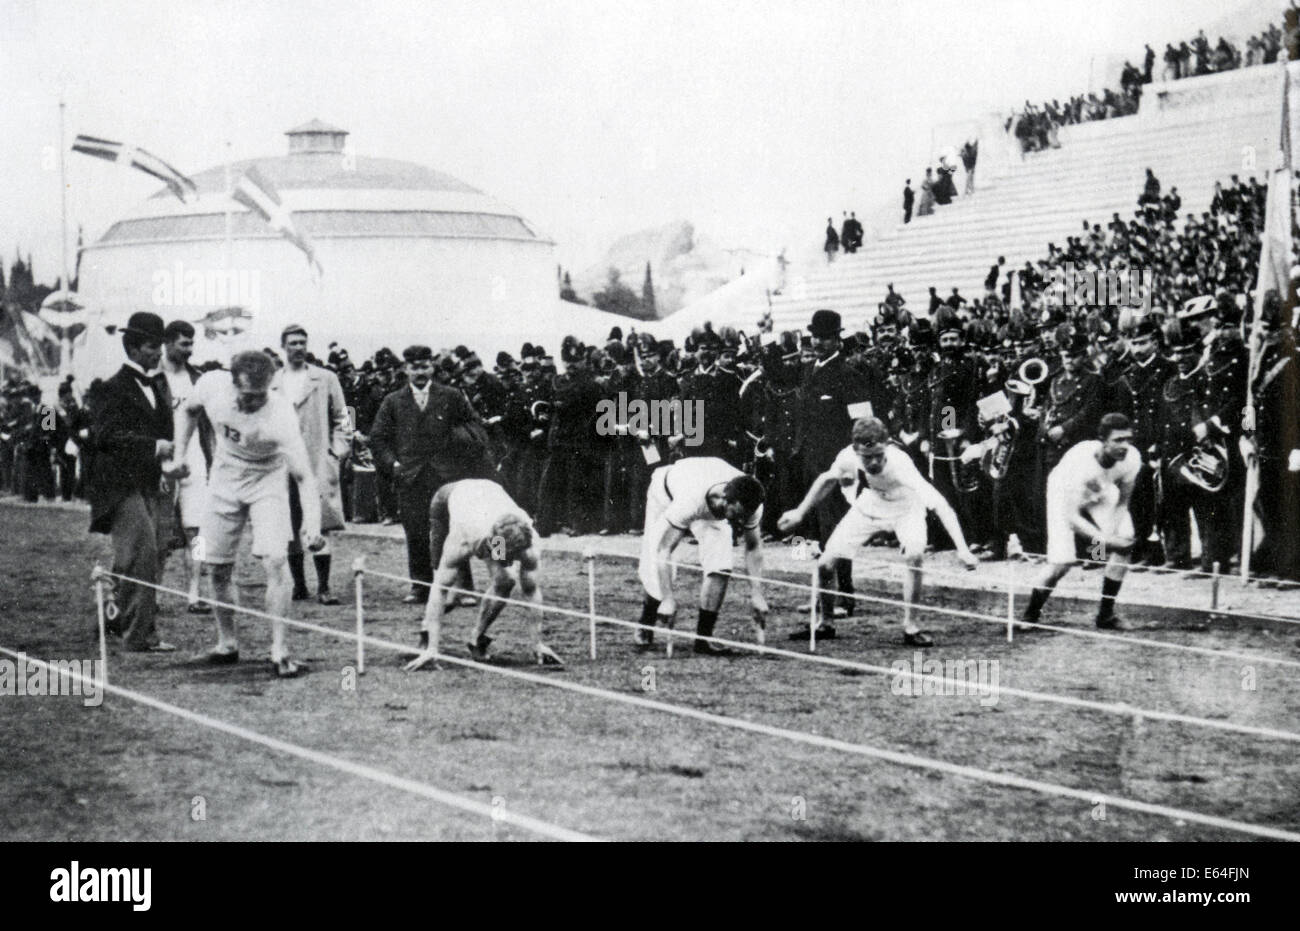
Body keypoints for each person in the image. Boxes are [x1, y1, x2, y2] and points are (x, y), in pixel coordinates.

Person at [165, 350, 322, 677]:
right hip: (224, 477)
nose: (252, 403)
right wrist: (180, 455)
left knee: (276, 560)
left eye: (259, 396)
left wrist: (313, 524)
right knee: (214, 563)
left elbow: (305, 476)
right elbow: (189, 411)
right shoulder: (211, 385)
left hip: (268, 481)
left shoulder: (280, 415)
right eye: (246, 396)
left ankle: (280, 649)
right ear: (232, 382)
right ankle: (227, 643)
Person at [780, 415, 978, 646]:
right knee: (825, 564)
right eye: (867, 458)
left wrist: (962, 549)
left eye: (878, 456)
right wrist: (799, 512)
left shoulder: (901, 464)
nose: (873, 463)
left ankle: (911, 627)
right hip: (871, 503)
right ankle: (826, 623)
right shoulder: (847, 456)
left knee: (915, 555)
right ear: (856, 450)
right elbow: (826, 479)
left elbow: (942, 506)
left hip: (907, 507)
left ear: (888, 446)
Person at [369, 344, 492, 604]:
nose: (421, 372)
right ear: (406, 369)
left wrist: (454, 439)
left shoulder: (451, 396)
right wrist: (393, 464)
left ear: (432, 367)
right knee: (415, 530)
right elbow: (378, 437)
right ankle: (421, 586)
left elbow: (474, 425)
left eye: (425, 366)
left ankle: (464, 587)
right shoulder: (393, 401)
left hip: (446, 475)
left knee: (454, 530)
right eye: (415, 367)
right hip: (411, 475)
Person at [86, 312, 177, 653]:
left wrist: (167, 461)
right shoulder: (110, 388)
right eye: (154, 346)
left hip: (147, 482)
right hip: (117, 485)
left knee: (133, 557)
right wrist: (153, 446)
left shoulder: (156, 385)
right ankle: (140, 636)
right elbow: (104, 436)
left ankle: (110, 621)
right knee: (142, 555)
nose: (159, 353)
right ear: (135, 349)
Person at [402, 478, 562, 670]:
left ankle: (476, 638)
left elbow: (531, 590)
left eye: (515, 556)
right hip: (446, 500)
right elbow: (439, 588)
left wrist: (537, 643)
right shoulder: (466, 535)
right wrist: (433, 650)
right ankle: (427, 637)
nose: (513, 561)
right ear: (493, 543)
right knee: (448, 590)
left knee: (506, 580)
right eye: (507, 556)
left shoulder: (530, 543)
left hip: (488, 498)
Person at [634, 457, 768, 655]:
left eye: (743, 517)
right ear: (724, 499)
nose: (740, 521)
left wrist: (757, 593)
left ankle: (703, 638)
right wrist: (668, 599)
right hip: (665, 494)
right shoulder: (690, 500)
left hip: (708, 501)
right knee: (655, 560)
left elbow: (753, 546)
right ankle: (647, 622)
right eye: (736, 515)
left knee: (721, 564)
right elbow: (664, 550)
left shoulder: (750, 503)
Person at [1019, 414, 1140, 632]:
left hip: (1100, 488)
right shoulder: (1080, 463)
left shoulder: (1132, 459)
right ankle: (1031, 612)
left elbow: (1123, 501)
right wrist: (1104, 541)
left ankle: (1105, 614)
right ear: (1103, 440)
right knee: (1062, 561)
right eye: (1118, 440)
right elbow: (1072, 517)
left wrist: (1109, 539)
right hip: (1063, 494)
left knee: (1126, 538)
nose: (1125, 446)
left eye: (1128, 439)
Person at [271, 324, 353, 605]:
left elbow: (345, 415)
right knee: (289, 521)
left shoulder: (325, 377)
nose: (298, 348)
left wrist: (338, 449)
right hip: (282, 463)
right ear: (283, 346)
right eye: (293, 343)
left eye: (302, 342)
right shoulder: (273, 381)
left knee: (321, 520)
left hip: (317, 458)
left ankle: (325, 586)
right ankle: (299, 585)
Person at [159, 320, 213, 614]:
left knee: (198, 531)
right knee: (159, 532)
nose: (190, 350)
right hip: (163, 459)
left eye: (192, 344)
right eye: (184, 344)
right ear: (167, 343)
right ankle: (151, 596)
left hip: (195, 459)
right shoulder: (154, 377)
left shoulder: (199, 378)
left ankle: (195, 593)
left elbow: (208, 425)